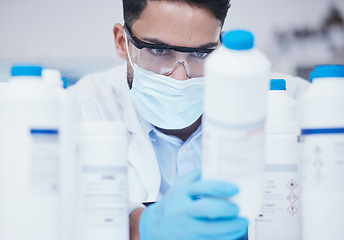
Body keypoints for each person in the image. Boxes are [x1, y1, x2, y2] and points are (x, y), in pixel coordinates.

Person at [67, 0, 309, 239]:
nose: (180, 78)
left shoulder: (295, 101)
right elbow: (66, 213)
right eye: (159, 50)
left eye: (200, 53)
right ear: (122, 42)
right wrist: (143, 226)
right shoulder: (80, 109)